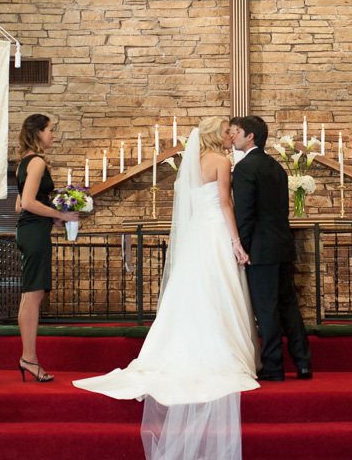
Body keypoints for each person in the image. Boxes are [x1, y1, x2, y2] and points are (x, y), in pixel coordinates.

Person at [73, 117, 259, 460]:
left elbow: (193, 207)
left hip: (196, 238)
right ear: (213, 136)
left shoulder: (192, 165)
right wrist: (235, 241)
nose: (229, 135)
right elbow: (225, 203)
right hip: (217, 232)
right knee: (218, 289)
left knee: (193, 292)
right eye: (225, 131)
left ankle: (177, 350)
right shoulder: (220, 161)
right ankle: (220, 351)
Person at [229, 115, 312, 381]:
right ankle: (303, 364)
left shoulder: (244, 169)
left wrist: (240, 247)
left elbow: (245, 214)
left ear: (250, 135)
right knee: (288, 305)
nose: (233, 136)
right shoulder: (277, 167)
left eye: (237, 131)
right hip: (283, 246)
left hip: (261, 250)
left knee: (266, 309)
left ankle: (274, 368)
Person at [15, 114, 78, 382]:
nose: (54, 135)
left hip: (29, 230)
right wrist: (62, 215)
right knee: (33, 296)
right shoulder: (38, 162)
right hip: (35, 233)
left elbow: (18, 205)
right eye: (51, 130)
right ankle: (28, 359)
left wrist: (51, 214)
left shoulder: (24, 163)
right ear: (38, 132)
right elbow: (28, 203)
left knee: (30, 295)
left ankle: (28, 357)